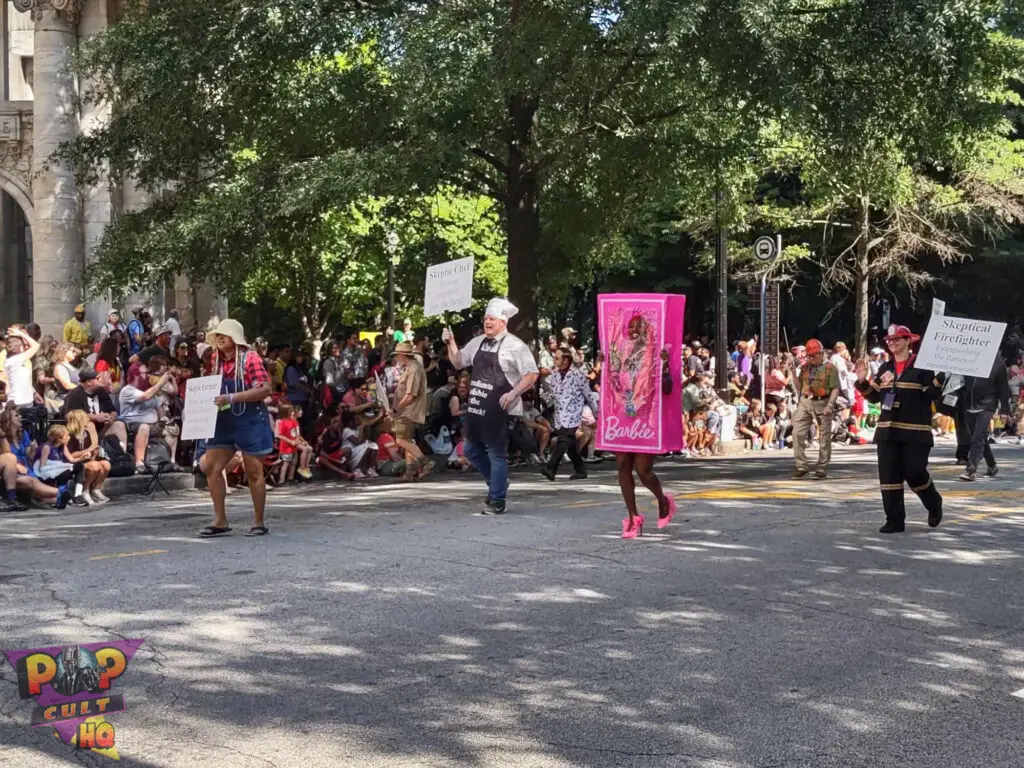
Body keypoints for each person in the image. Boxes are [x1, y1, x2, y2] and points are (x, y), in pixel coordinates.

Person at [443, 298, 540, 515]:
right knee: (470, 449)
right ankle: (497, 482)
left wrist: (514, 392)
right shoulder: (477, 342)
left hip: (502, 408)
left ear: (503, 322)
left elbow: (532, 373)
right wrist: (450, 342)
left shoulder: (516, 346)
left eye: (491, 319)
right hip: (478, 406)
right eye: (486, 318)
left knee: (496, 453)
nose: (487, 322)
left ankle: (497, 499)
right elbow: (458, 362)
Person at [855, 324, 944, 534]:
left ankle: (933, 502)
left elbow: (931, 395)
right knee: (889, 475)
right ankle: (894, 519)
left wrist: (940, 380)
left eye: (897, 339)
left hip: (915, 430)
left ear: (907, 341)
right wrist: (861, 380)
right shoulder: (886, 368)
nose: (892, 343)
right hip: (888, 430)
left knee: (914, 472)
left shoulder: (922, 367)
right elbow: (875, 397)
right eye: (890, 340)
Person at [199, 319, 275, 537]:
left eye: (225, 334)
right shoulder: (215, 360)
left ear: (235, 337)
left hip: (248, 419)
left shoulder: (251, 358)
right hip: (223, 420)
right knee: (212, 468)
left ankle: (258, 521)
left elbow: (264, 389)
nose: (220, 338)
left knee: (253, 472)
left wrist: (231, 397)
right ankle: (220, 520)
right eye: (218, 335)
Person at [541, 349, 596, 481]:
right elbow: (552, 394)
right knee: (570, 443)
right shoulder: (554, 375)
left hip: (573, 412)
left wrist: (597, 413)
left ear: (566, 360)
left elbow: (588, 395)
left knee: (564, 439)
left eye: (557, 358)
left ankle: (551, 467)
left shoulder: (578, 375)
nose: (554, 360)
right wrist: (545, 398)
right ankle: (580, 470)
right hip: (560, 413)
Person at [792, 339, 841, 479]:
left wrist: (830, 404)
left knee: (824, 437)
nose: (812, 359)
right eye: (810, 356)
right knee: (797, 432)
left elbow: (835, 388)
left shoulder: (830, 368)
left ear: (821, 353)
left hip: (822, 402)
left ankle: (822, 467)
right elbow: (799, 387)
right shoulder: (805, 367)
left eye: (814, 356)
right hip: (806, 401)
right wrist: (793, 374)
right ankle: (801, 465)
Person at [959, 354, 1012, 481]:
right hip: (969, 404)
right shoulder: (967, 358)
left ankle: (971, 470)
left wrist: (1004, 410)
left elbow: (1003, 388)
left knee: (978, 436)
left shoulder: (998, 363)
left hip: (988, 404)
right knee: (978, 436)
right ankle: (992, 465)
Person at [390, 341, 432, 482]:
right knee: (407, 440)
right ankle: (410, 472)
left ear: (402, 355)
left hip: (409, 410)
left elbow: (410, 395)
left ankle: (425, 462)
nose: (396, 359)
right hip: (408, 410)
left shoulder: (414, 370)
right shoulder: (411, 368)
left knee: (401, 439)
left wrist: (397, 409)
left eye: (397, 355)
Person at [63, 368, 129, 448]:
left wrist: (111, 417)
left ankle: (122, 456)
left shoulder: (101, 391)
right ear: (89, 382)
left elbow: (113, 410)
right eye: (97, 378)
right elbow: (69, 415)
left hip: (102, 429)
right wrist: (95, 417)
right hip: (85, 431)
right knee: (90, 425)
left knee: (119, 425)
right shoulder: (75, 394)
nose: (101, 379)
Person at [64, 409, 112, 504]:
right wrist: (87, 451)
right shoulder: (70, 434)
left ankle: (96, 489)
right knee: (94, 466)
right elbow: (71, 454)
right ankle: (85, 491)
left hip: (87, 459)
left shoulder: (86, 432)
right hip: (74, 462)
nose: (88, 419)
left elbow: (90, 449)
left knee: (106, 464)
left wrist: (95, 451)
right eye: (85, 418)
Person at [275, 403, 313, 483]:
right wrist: (290, 441)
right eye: (291, 411)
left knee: (293, 463)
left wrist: (300, 441)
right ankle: (281, 481)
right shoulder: (282, 422)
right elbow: (279, 435)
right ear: (286, 412)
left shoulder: (293, 421)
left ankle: (290, 478)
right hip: (286, 447)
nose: (293, 412)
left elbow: (296, 433)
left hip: (294, 446)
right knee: (285, 464)